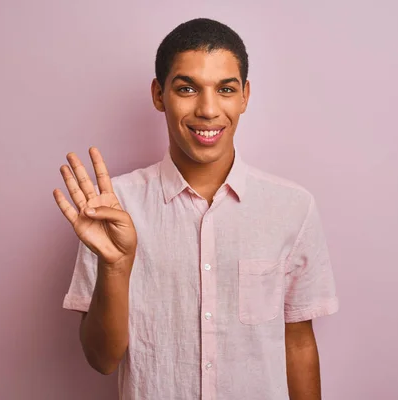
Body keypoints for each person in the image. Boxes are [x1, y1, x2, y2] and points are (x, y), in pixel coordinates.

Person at [53, 17, 338, 400]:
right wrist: (115, 266)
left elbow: (299, 343)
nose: (207, 109)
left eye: (225, 89)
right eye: (187, 88)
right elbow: (102, 359)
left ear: (244, 97)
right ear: (158, 95)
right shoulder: (113, 209)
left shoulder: (292, 207)